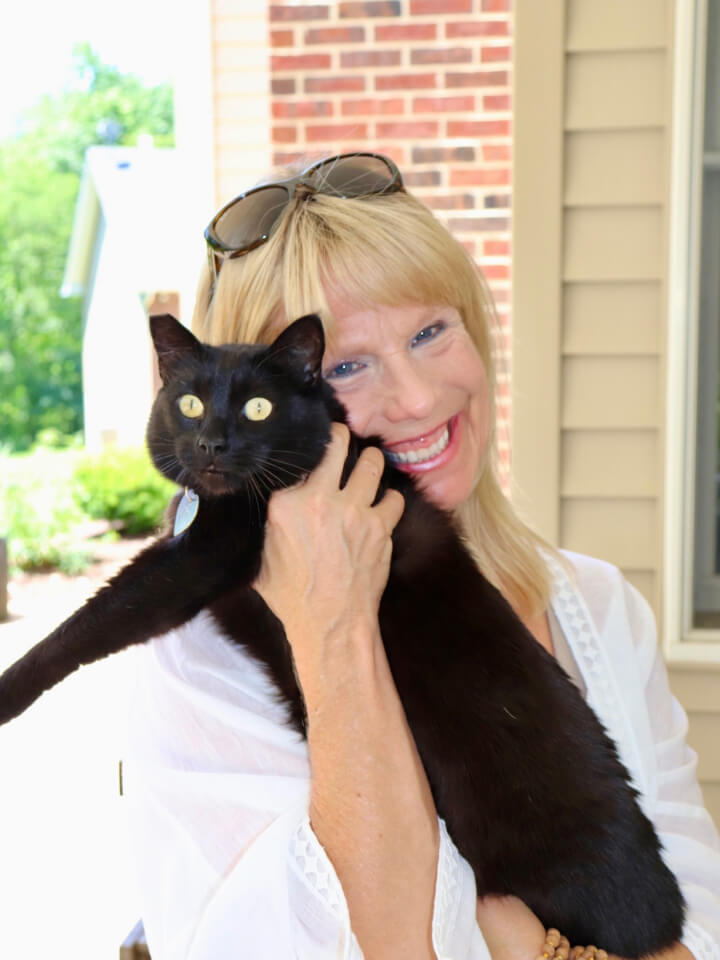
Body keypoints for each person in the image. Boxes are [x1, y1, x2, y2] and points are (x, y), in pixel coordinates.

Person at [123, 153, 720, 960]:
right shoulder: (201, 660)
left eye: (431, 331)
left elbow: (697, 918)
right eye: (344, 367)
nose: (415, 398)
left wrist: (511, 934)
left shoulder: (601, 609)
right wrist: (334, 629)